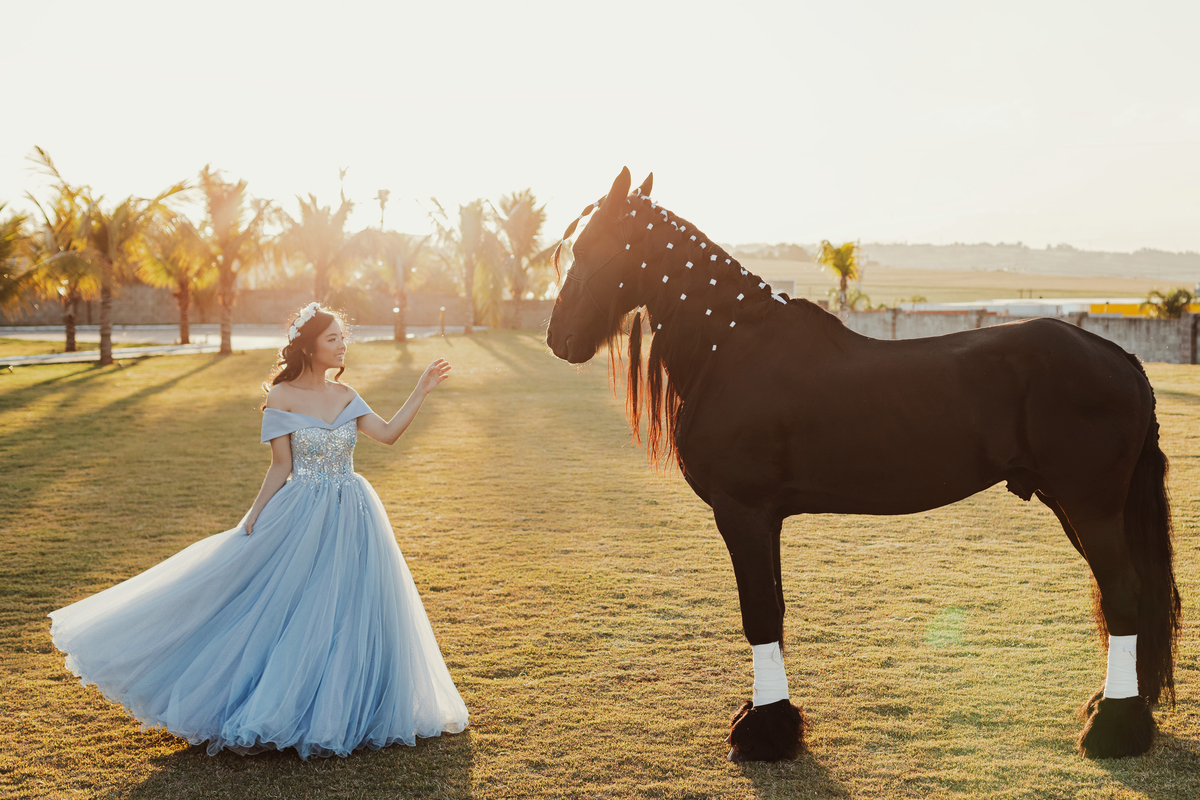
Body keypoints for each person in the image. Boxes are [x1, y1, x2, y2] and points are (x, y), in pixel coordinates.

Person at [47, 302, 468, 758]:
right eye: (333, 338)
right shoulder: (282, 396)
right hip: (301, 510)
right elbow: (280, 467)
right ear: (308, 347)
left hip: (354, 511)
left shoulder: (347, 393)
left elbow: (386, 435)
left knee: (349, 604)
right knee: (292, 604)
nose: (342, 345)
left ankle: (346, 707)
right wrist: (254, 517)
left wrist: (421, 390)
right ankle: (278, 701)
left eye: (343, 338)